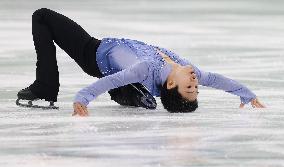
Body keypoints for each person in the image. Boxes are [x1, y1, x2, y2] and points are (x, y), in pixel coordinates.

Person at [17, 8, 265, 116]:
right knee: (125, 83)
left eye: (189, 87)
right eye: (196, 87)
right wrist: (247, 94)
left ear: (170, 86)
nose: (195, 81)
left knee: (42, 17)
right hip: (115, 62)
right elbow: (218, 80)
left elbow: (110, 78)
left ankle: (45, 87)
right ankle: (129, 94)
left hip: (92, 53)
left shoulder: (145, 69)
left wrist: (82, 98)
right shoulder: (188, 69)